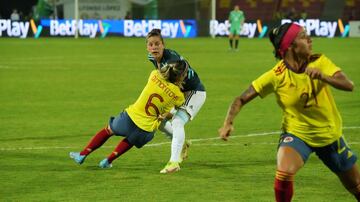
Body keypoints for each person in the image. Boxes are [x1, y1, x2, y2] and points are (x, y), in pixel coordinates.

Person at [218, 22, 360, 201]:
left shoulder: (320, 61)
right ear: (290, 46)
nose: (310, 39)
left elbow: (349, 85)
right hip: (297, 135)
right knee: (284, 170)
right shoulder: (276, 75)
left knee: (356, 187)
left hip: (330, 136)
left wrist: (324, 76)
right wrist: (228, 123)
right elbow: (240, 99)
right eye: (303, 36)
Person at [69, 60, 187, 168]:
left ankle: (83, 154)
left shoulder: (154, 75)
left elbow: (160, 75)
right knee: (130, 140)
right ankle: (107, 161)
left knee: (108, 130)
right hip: (146, 130)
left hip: (130, 118)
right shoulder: (179, 96)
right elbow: (174, 113)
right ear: (181, 76)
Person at [146, 28, 206, 173]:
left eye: (157, 44)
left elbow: (177, 85)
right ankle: (181, 142)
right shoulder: (152, 58)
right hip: (177, 93)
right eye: (151, 44)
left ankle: (174, 162)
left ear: (163, 45)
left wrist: (168, 110)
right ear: (147, 47)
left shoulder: (171, 61)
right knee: (157, 121)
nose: (154, 47)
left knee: (177, 121)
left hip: (193, 92)